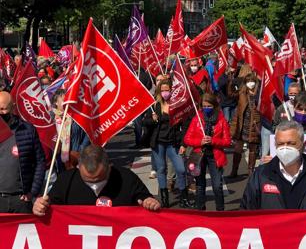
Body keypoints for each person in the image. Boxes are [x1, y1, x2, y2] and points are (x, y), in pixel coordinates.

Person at [33, 145, 160, 216]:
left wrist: (150, 201)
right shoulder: (67, 180)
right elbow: (50, 203)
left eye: (99, 179)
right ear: (78, 167)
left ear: (109, 167)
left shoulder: (126, 177)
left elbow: (145, 197)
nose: (94, 185)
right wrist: (40, 206)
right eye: (88, 180)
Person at [142, 79, 193, 208]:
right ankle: (164, 198)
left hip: (173, 143)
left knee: (181, 170)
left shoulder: (177, 105)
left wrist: (183, 144)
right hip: (158, 142)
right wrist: (152, 120)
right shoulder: (155, 105)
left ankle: (183, 197)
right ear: (159, 91)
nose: (165, 92)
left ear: (172, 91)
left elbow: (185, 125)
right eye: (163, 90)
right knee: (161, 169)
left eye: (167, 90)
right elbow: (145, 122)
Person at [0, 91, 46, 213]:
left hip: (20, 201)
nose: (1, 113)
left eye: (3, 109)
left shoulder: (27, 129)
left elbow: (40, 162)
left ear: (12, 107)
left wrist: (33, 192)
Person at [184, 93, 231, 211]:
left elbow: (227, 141)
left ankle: (220, 211)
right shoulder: (197, 119)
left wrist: (213, 141)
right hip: (199, 156)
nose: (206, 108)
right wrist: (200, 142)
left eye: (209, 106)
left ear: (214, 106)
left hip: (215, 156)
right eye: (204, 106)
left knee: (217, 185)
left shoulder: (221, 120)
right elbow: (187, 139)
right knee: (200, 185)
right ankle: (201, 210)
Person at [229, 73, 261, 177]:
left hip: (254, 123)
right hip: (242, 124)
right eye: (248, 81)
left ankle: (250, 170)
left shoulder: (259, 94)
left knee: (253, 149)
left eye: (252, 81)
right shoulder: (242, 93)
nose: (250, 83)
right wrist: (231, 81)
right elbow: (231, 93)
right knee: (238, 148)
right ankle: (234, 170)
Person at [51, 89, 91, 170]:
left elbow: (87, 132)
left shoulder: (76, 116)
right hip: (59, 159)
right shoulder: (52, 119)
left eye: (67, 100)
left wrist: (80, 149)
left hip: (78, 157)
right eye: (63, 100)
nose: (66, 103)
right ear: (56, 102)